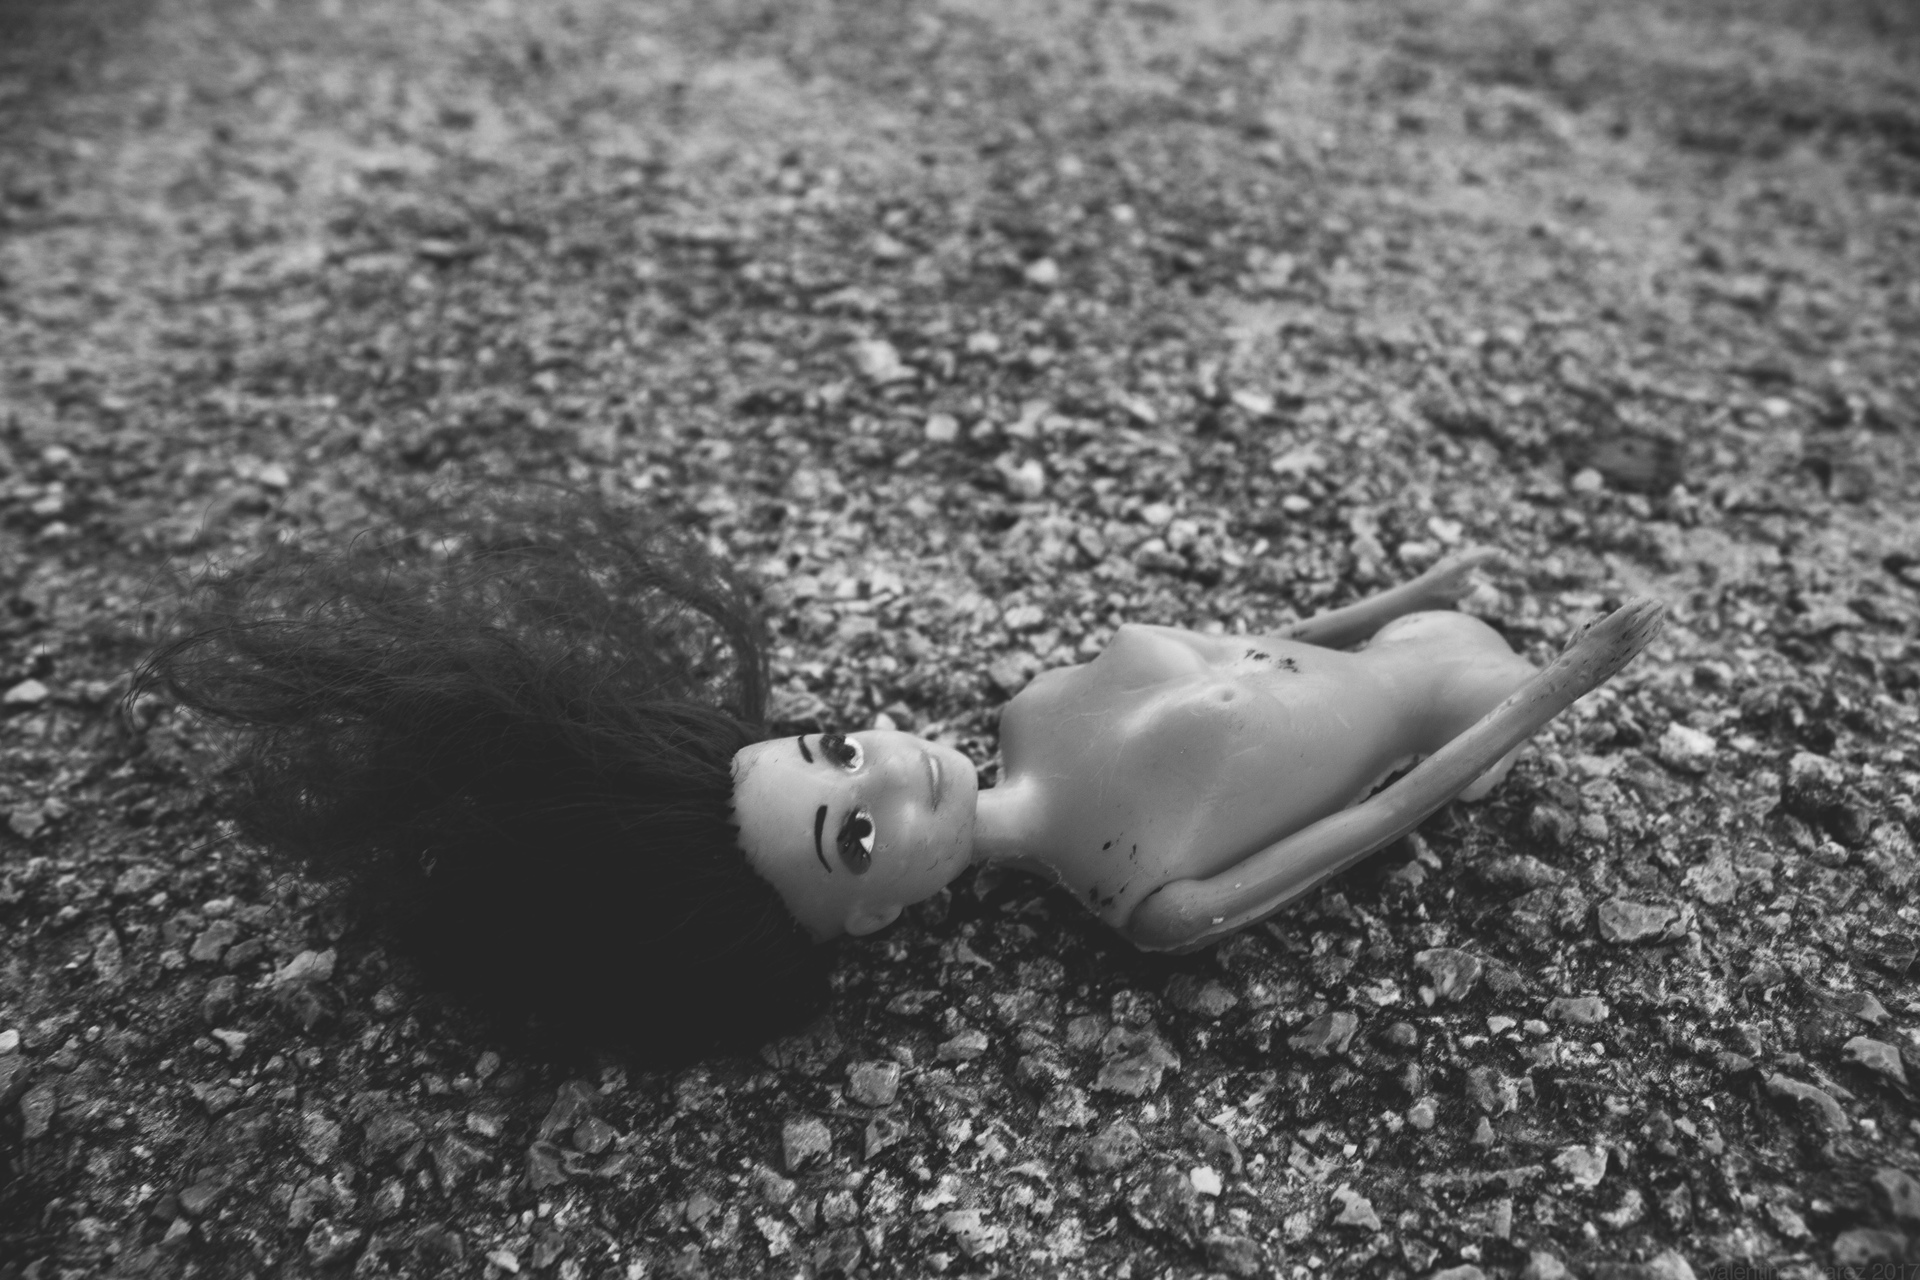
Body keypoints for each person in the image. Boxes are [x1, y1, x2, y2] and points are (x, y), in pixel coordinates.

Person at [138, 489, 1659, 1058]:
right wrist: (1564, 682)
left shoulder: (1032, 713)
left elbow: (1262, 648)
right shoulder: (1148, 902)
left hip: (1421, 639)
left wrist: (1409, 593)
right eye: (857, 834)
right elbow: (1383, 811)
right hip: (1477, 699)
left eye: (827, 748)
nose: (882, 761)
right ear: (871, 922)